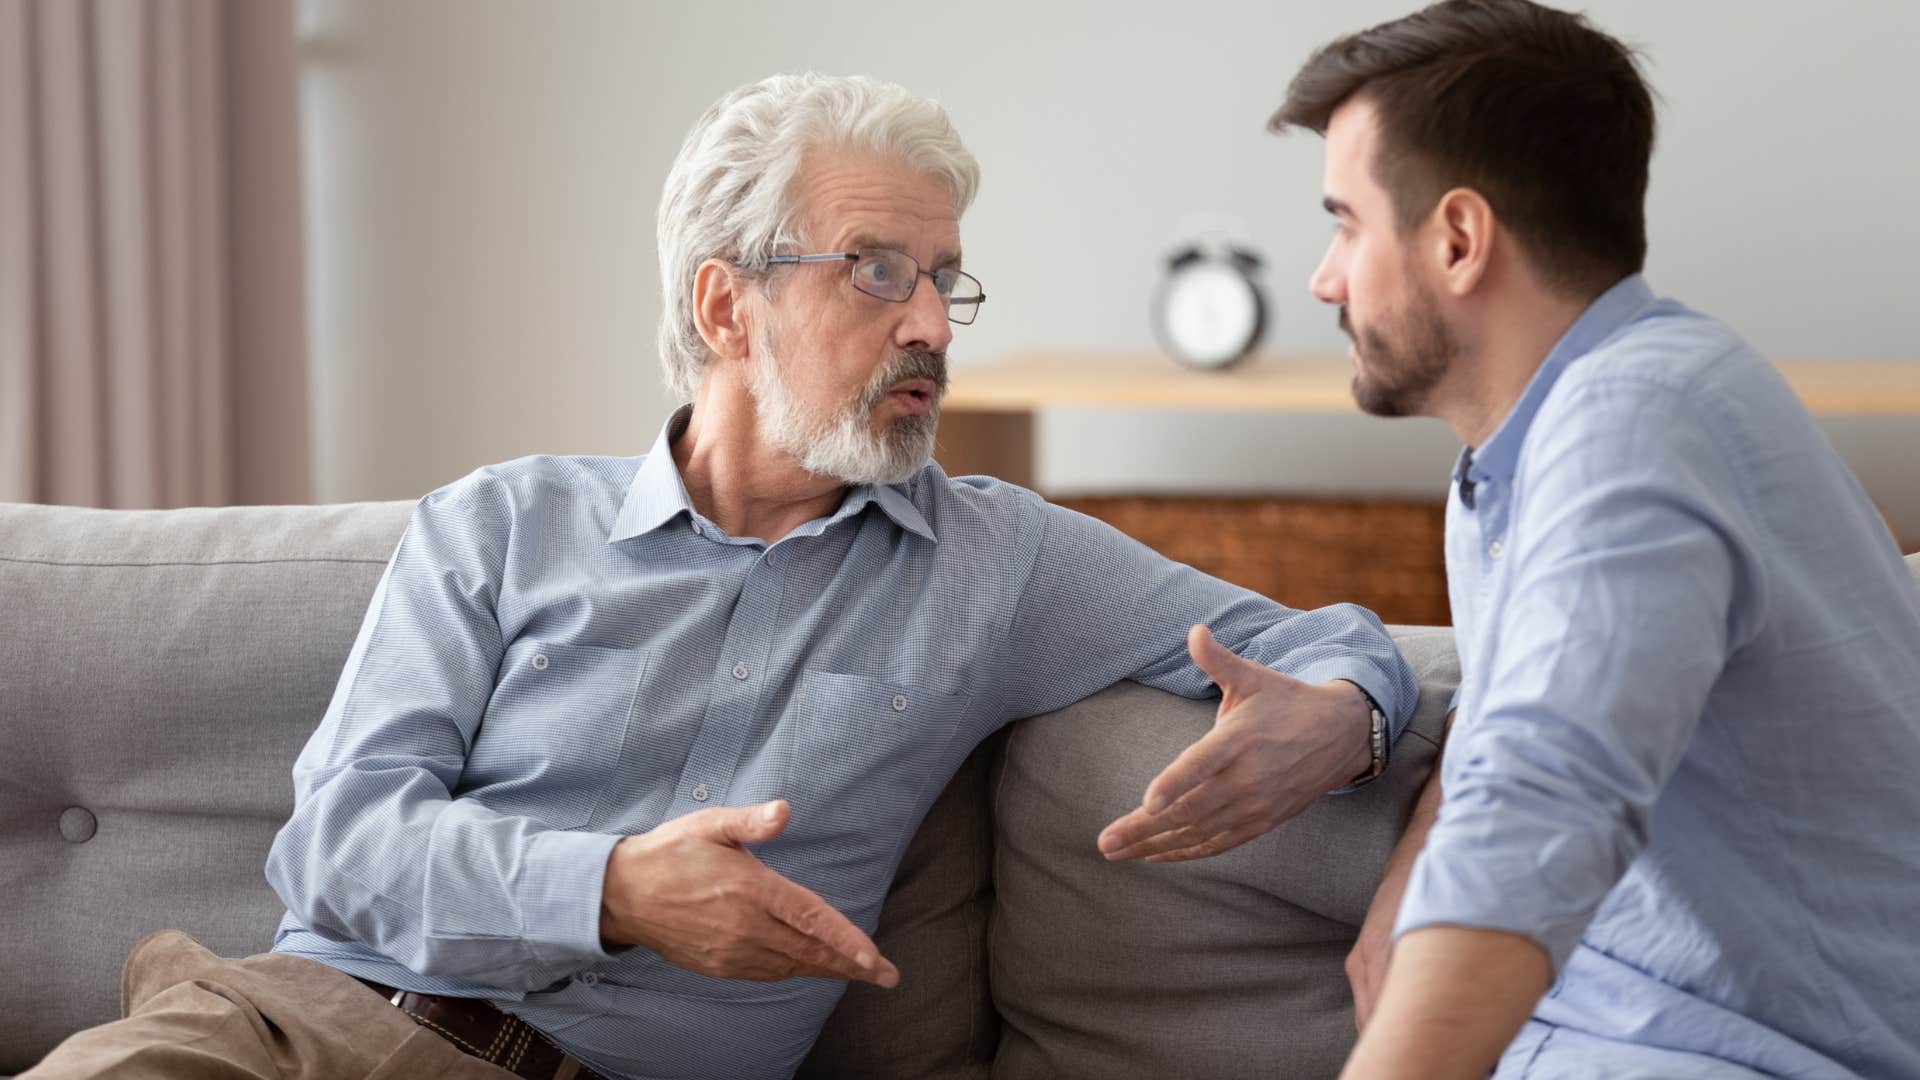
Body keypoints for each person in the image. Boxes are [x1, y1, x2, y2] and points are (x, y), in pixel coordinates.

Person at [23, 73, 1418, 1080]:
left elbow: (1332, 641)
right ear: (723, 304)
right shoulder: (502, 526)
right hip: (292, 1034)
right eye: (876, 271)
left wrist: (1347, 712)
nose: (932, 321)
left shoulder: (1001, 558)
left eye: (945, 277)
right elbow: (336, 847)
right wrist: (614, 887)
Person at [1267, 2, 1920, 1077]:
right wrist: (1415, 864)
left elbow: (1544, 799)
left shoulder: (1640, 419)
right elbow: (1531, 706)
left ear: (1459, 240)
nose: (1324, 278)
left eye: (1346, 223)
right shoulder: (1521, 452)